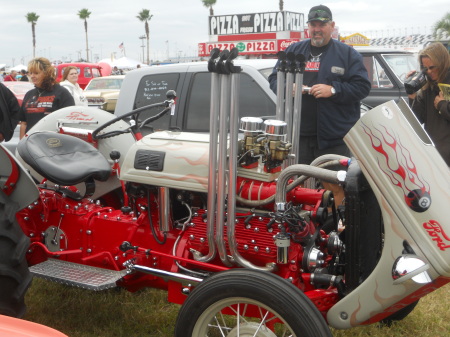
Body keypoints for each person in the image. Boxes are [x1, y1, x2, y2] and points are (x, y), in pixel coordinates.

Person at [268, 4, 371, 165]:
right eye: (313, 25)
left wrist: (334, 90)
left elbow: (362, 87)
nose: (317, 29)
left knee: (333, 186)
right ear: (308, 27)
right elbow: (274, 79)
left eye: (322, 24)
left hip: (334, 139)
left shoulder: (348, 54)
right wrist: (289, 87)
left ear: (332, 26)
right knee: (298, 185)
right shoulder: (294, 51)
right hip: (297, 136)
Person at [407, 42, 450, 166]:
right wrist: (412, 96)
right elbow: (416, 120)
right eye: (425, 68)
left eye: (432, 67)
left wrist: (442, 105)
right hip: (434, 155)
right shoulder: (428, 88)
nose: (429, 72)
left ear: (442, 63)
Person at [18, 57, 75, 139]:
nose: (32, 76)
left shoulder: (62, 93)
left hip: (53, 145)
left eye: (36, 73)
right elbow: (24, 123)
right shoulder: (29, 94)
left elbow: (70, 123)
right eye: (30, 73)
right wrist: (21, 145)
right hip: (30, 144)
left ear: (47, 73)